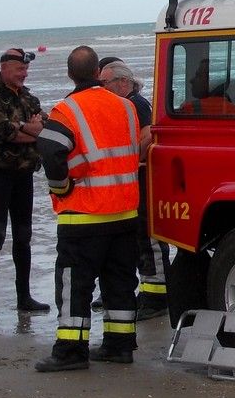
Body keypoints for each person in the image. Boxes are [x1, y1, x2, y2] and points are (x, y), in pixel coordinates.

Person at [34, 46, 141, 372]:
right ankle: (119, 346)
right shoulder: (126, 107)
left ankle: (70, 351)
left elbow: (50, 149)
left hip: (84, 215)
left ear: (70, 74)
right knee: (120, 283)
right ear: (98, 73)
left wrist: (61, 187)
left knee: (74, 284)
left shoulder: (66, 110)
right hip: (125, 213)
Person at [0, 48, 52, 318]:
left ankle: (24, 297)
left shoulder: (29, 97)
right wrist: (24, 128)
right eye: (20, 69)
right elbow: (1, 131)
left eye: (26, 70)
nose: (24, 74)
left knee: (23, 236)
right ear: (5, 67)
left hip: (24, 174)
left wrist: (21, 127)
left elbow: (46, 126)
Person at [99, 58, 169, 320]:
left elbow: (148, 134)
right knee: (140, 237)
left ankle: (157, 296)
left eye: (105, 83)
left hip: (142, 176)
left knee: (148, 235)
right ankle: (150, 291)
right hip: (135, 176)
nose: (102, 88)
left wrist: (126, 161)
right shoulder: (127, 103)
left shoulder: (136, 103)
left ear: (123, 82)